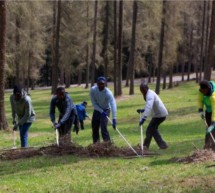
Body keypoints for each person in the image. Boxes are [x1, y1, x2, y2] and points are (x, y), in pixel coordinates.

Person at [138, 82, 168, 149]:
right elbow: (148, 105)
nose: (142, 91)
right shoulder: (148, 93)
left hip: (160, 115)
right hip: (158, 115)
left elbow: (149, 106)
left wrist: (144, 118)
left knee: (150, 129)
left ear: (146, 88)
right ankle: (162, 145)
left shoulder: (150, 95)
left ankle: (146, 146)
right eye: (141, 90)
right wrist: (143, 110)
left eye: (143, 90)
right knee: (152, 130)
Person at [90, 76, 117, 144]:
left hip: (106, 109)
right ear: (97, 84)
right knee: (95, 127)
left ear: (105, 84)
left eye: (103, 84)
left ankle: (107, 145)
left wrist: (114, 119)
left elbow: (113, 105)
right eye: (99, 84)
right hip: (97, 109)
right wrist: (101, 111)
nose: (101, 85)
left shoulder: (108, 93)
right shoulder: (93, 90)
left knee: (103, 128)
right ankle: (96, 145)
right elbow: (94, 104)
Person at [198, 80, 215, 148]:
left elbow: (214, 109)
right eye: (202, 91)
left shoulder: (213, 96)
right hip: (208, 111)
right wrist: (200, 109)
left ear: (208, 88)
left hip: (214, 110)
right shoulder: (201, 91)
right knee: (208, 129)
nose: (203, 93)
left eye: (205, 91)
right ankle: (207, 147)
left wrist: (213, 123)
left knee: (214, 129)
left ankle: (213, 148)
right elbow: (200, 100)